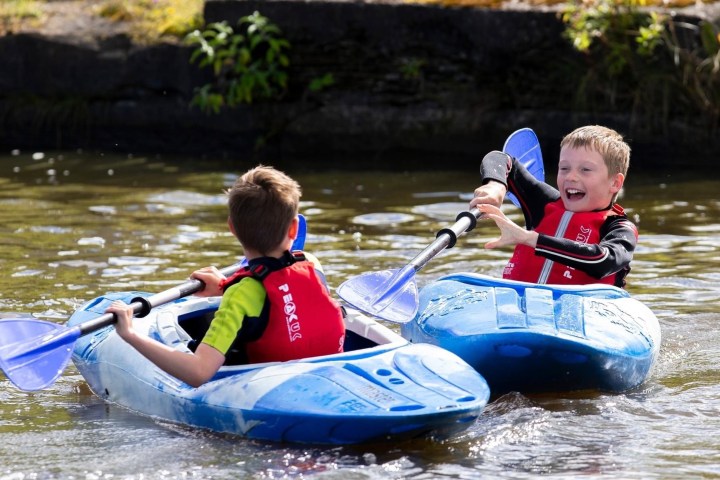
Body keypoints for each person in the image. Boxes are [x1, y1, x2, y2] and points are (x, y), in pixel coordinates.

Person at [105, 165, 346, 387]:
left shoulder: (240, 297)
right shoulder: (312, 265)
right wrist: (225, 286)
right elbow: (284, 295)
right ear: (294, 227)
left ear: (232, 227)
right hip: (332, 375)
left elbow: (198, 372)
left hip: (273, 386)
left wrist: (130, 333)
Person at [469, 125, 638, 287]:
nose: (571, 177)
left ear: (615, 183)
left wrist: (529, 238)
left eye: (585, 170)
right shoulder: (544, 203)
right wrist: (496, 185)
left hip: (585, 309)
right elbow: (500, 158)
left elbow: (604, 261)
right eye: (564, 168)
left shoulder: (619, 228)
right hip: (520, 302)